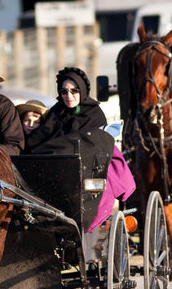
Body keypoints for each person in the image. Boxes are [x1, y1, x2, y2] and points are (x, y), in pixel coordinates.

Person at [26, 67, 135, 232]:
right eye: (64, 92)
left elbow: (92, 145)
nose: (69, 96)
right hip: (55, 172)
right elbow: (37, 142)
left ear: (82, 90)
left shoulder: (94, 114)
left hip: (86, 171)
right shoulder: (55, 113)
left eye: (74, 91)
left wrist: (56, 148)